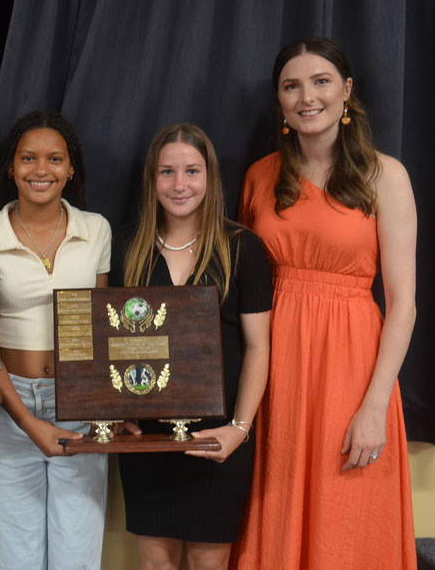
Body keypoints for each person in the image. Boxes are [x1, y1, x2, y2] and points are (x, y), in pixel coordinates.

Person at [235, 38, 417, 569]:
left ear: (347, 92)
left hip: (351, 365)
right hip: (275, 360)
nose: (306, 96)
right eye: (292, 85)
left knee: (347, 506)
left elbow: (404, 303)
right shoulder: (259, 176)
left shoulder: (387, 176)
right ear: (280, 101)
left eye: (321, 82)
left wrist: (375, 405)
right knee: (274, 496)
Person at [110, 124, 272, 570]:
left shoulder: (244, 249)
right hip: (148, 439)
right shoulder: (126, 246)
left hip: (217, 437)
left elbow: (258, 348)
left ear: (211, 177)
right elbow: (111, 341)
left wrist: (239, 429)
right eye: (167, 172)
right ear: (151, 179)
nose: (179, 185)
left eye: (191, 171)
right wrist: (120, 408)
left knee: (208, 562)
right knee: (155, 561)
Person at [0, 111, 111, 570]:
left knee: (77, 554)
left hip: (80, 405)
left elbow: (99, 328)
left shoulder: (96, 230)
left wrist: (108, 406)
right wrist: (27, 420)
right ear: (11, 166)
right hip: (8, 405)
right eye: (28, 158)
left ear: (71, 168)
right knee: (13, 557)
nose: (40, 170)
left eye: (54, 159)